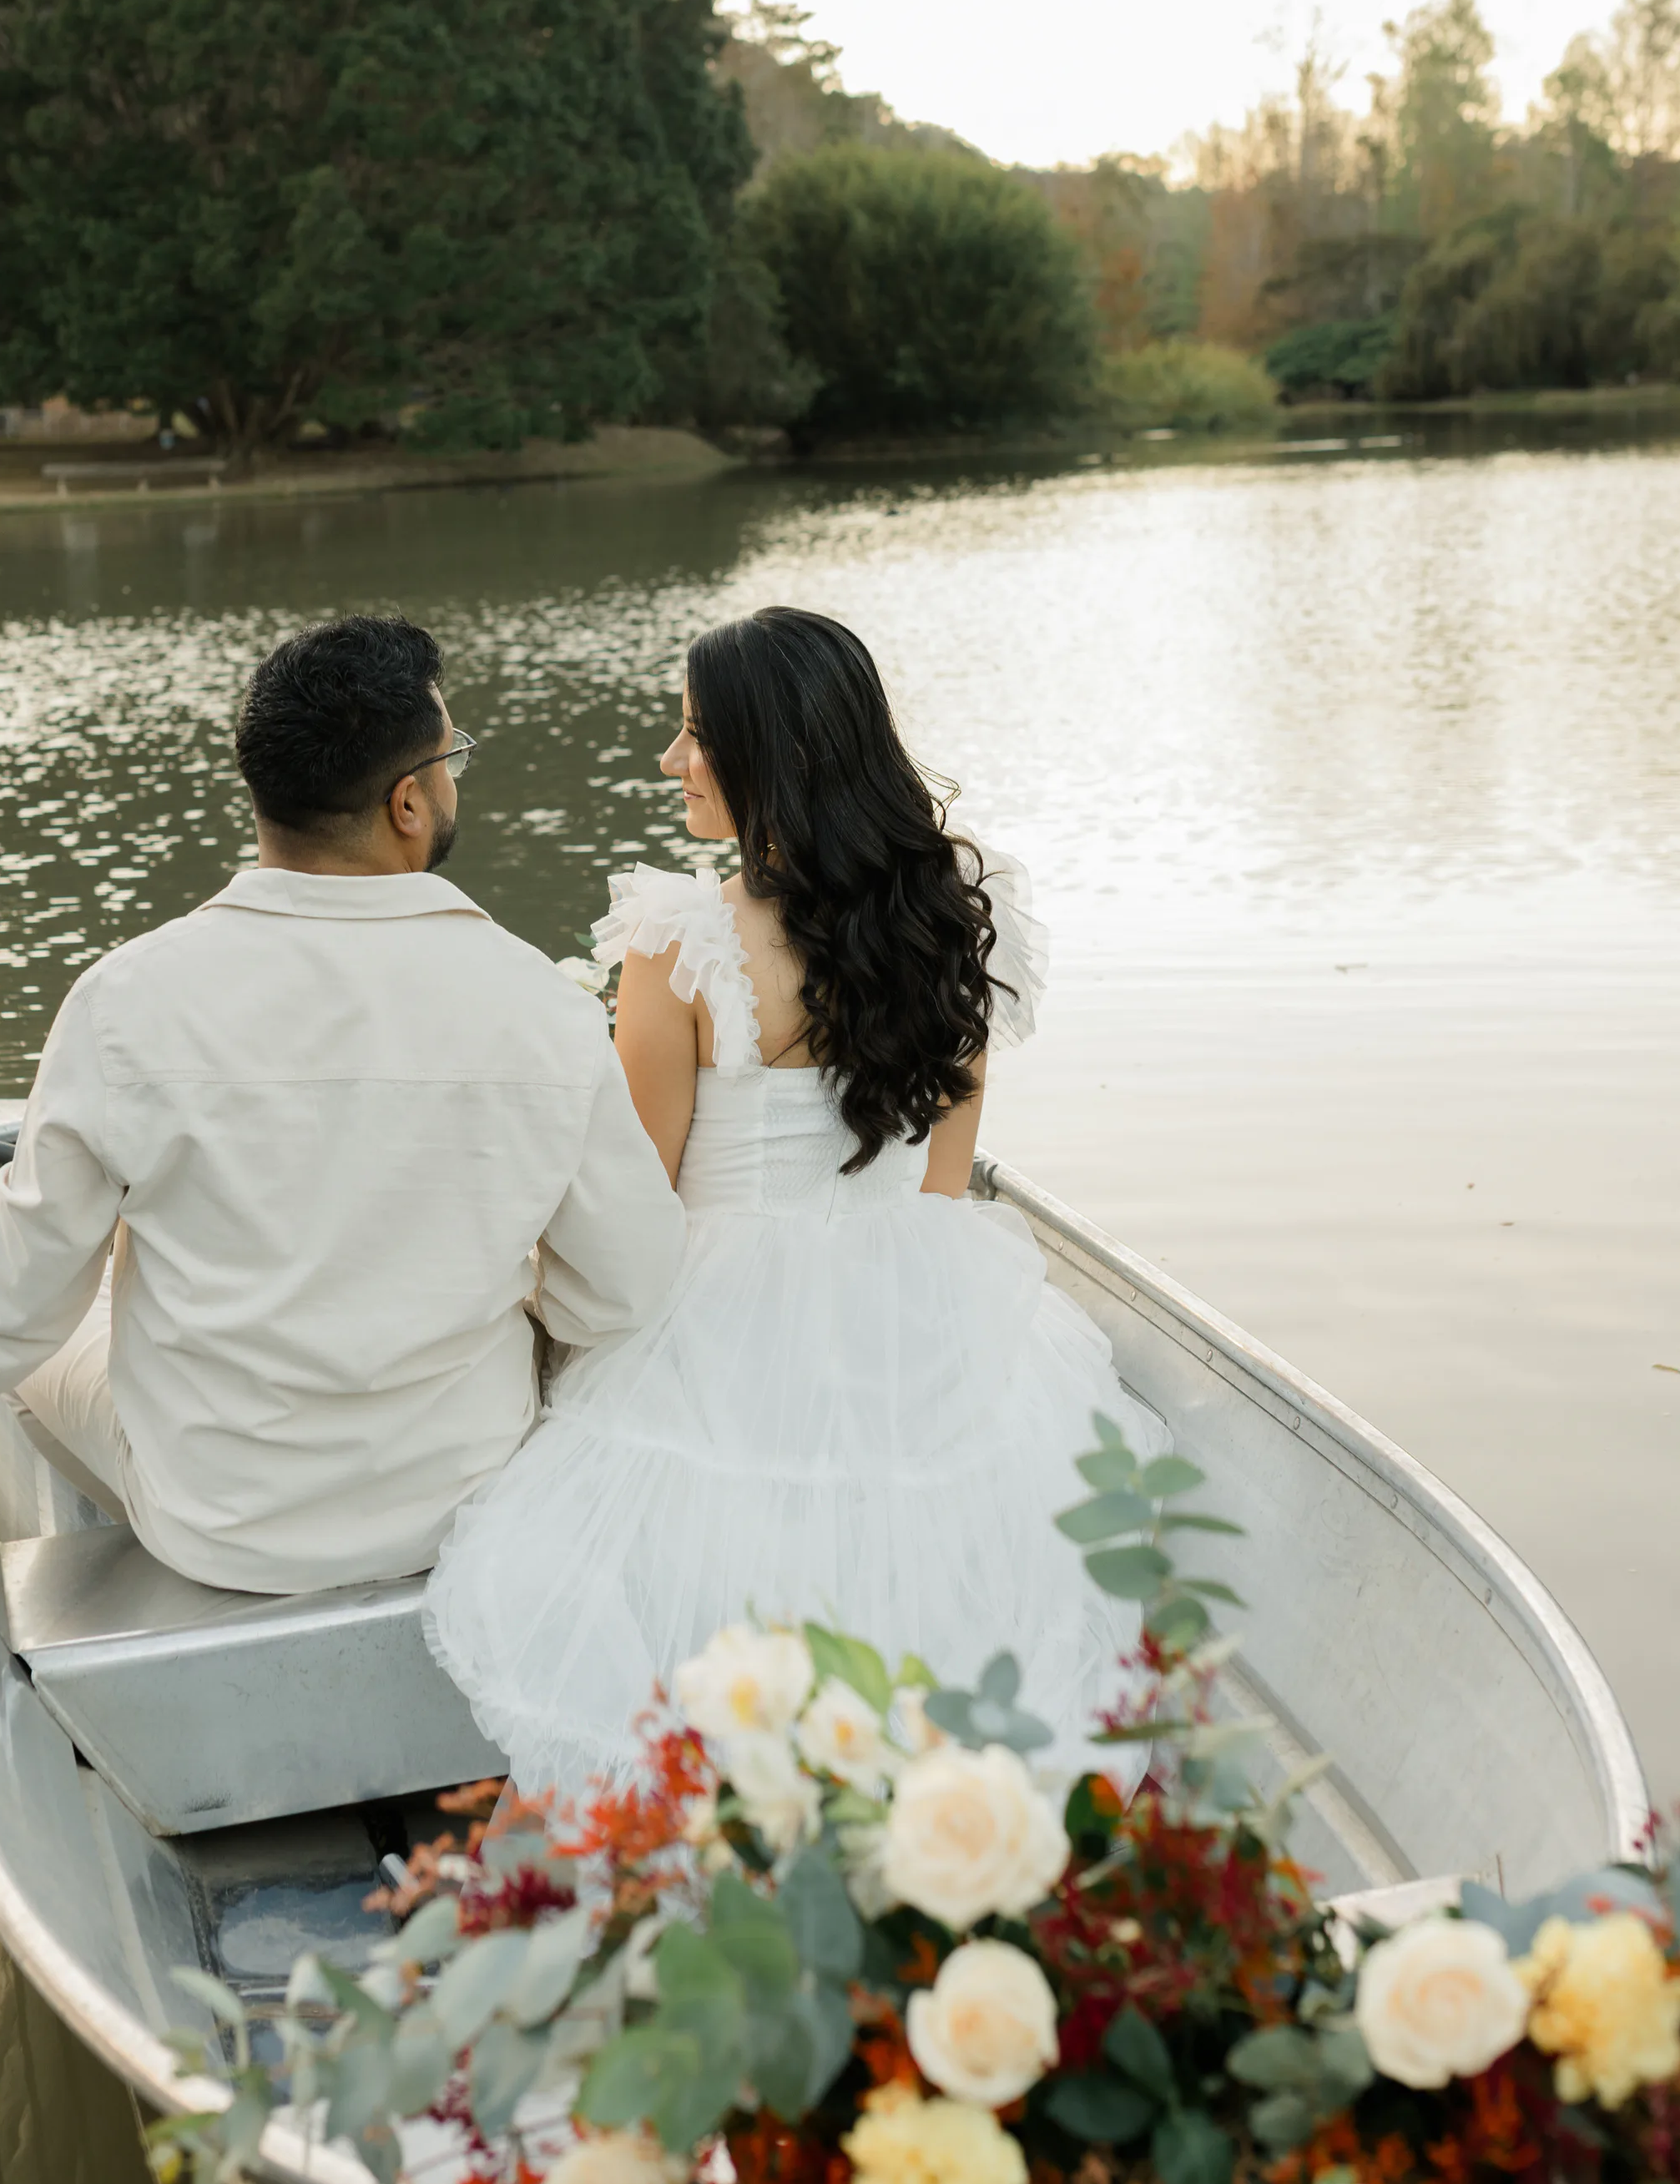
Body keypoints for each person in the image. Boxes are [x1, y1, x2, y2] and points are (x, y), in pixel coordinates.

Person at [423, 604, 1158, 1789]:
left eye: (695, 733)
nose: (672, 758)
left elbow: (636, 1204)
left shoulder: (678, 942)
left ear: (775, 752)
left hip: (714, 1312)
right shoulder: (955, 915)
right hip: (921, 1291)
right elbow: (942, 1187)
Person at [0, 614, 684, 1596]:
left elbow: (32, 1265)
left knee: (28, 1348)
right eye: (452, 759)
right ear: (407, 802)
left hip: (220, 1526)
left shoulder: (126, 999)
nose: (454, 781)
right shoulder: (541, 1005)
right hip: (458, 1501)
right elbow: (629, 1283)